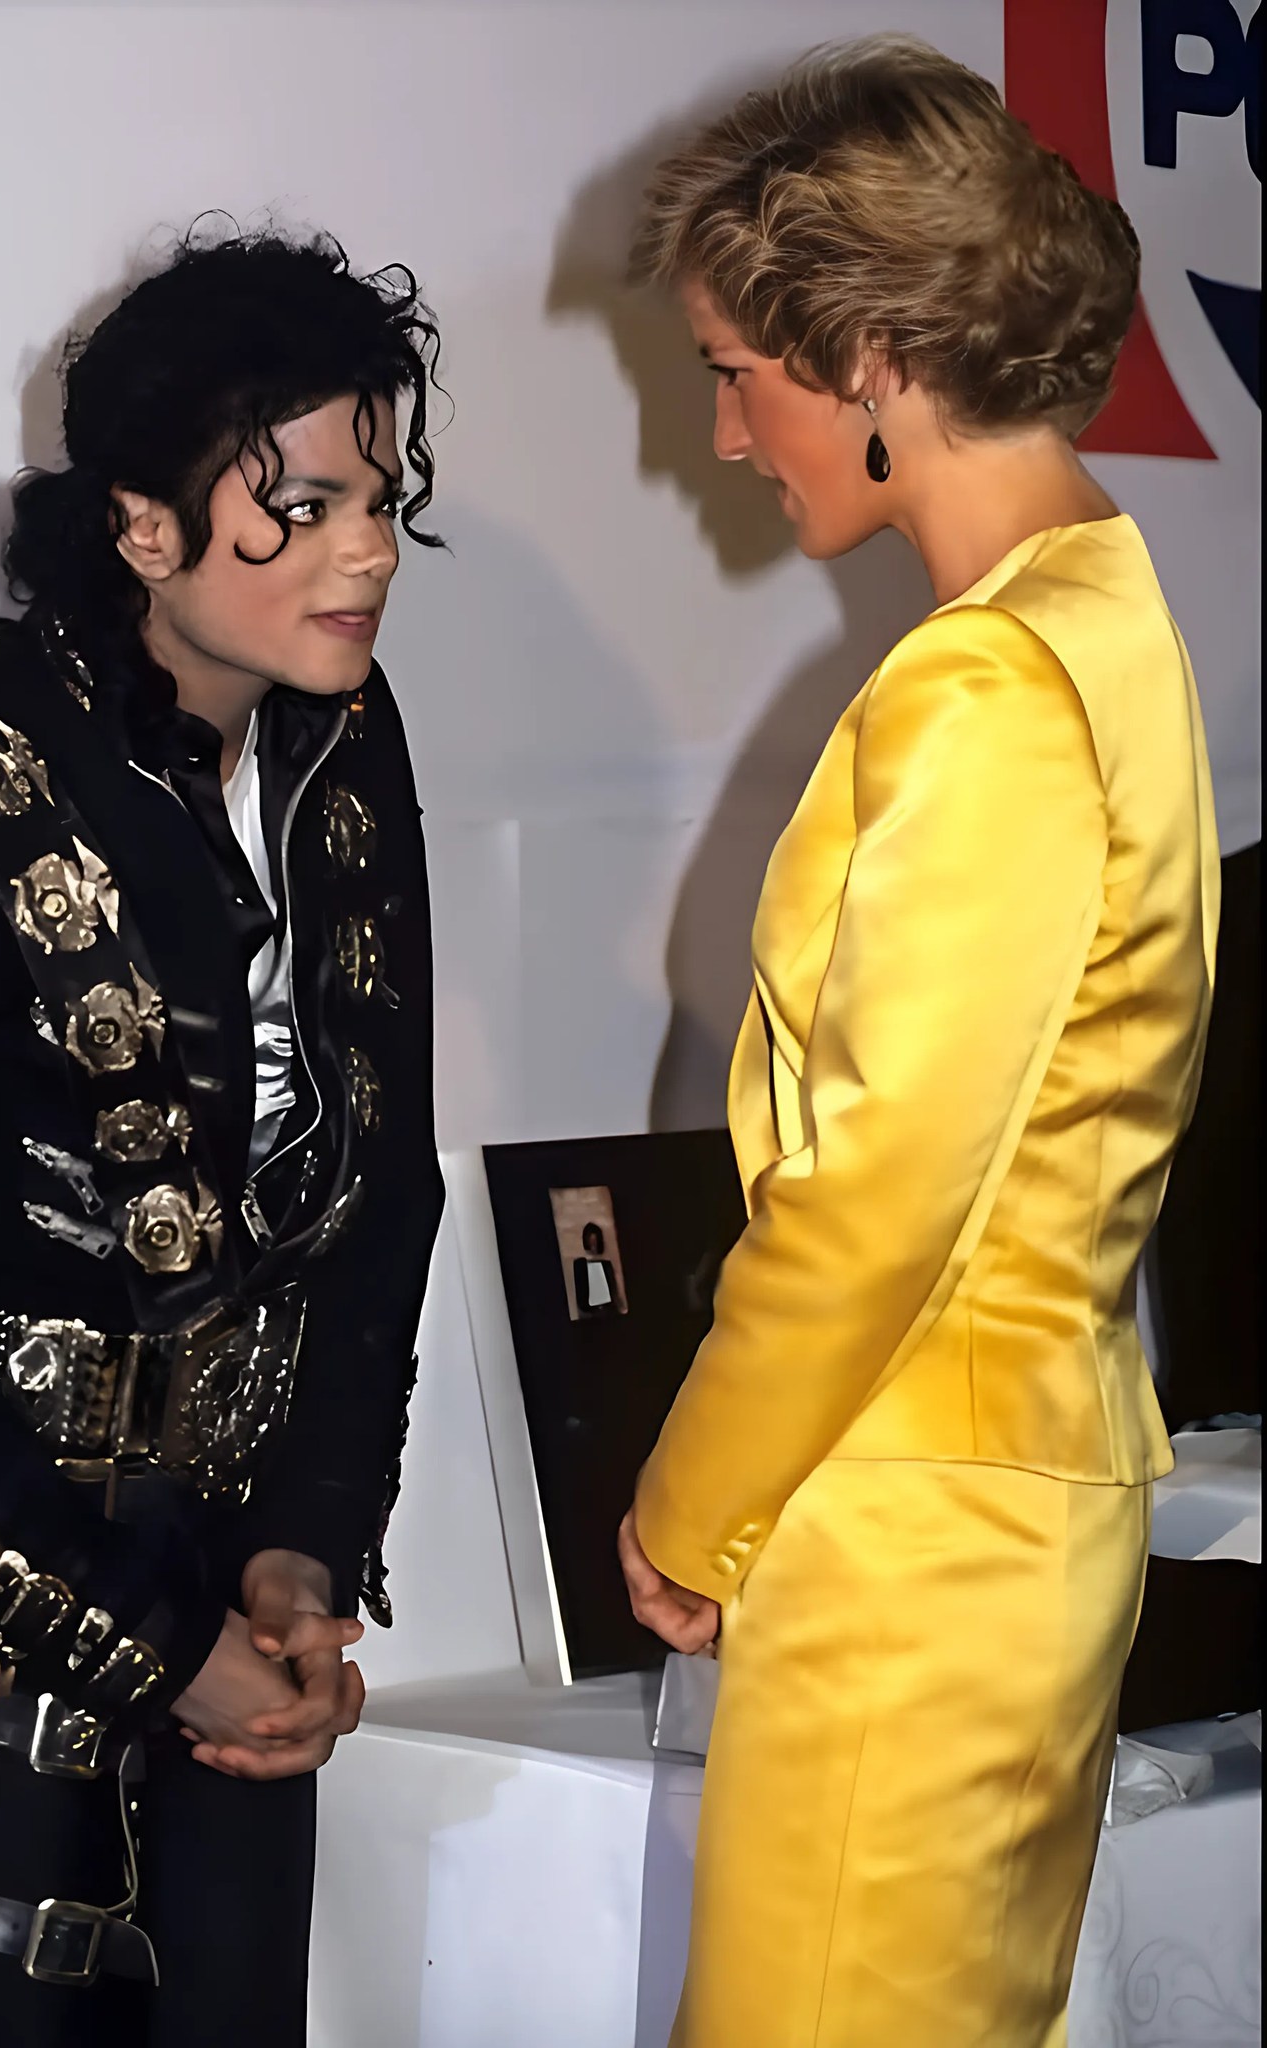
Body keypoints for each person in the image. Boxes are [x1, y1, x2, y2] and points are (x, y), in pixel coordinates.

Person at [614, 38, 1219, 2048]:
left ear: (870, 354)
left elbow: (877, 1192)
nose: (723, 432)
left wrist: (688, 1501)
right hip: (1003, 1517)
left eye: (736, 371)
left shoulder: (990, 686)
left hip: (915, 1551)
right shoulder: (1105, 619)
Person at [0, 224, 446, 2047]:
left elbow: (382, 1179)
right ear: (144, 527)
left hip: (244, 1566)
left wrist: (305, 1550)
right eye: (302, 510)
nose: (369, 553)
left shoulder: (342, 739)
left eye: (380, 499)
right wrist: (158, 1644)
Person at [573, 1221, 621, 1316]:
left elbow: (613, 1286)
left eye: (595, 1242)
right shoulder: (580, 1264)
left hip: (608, 1308)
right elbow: (580, 1289)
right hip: (589, 1311)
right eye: (591, 1242)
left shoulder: (606, 1263)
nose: (593, 1246)